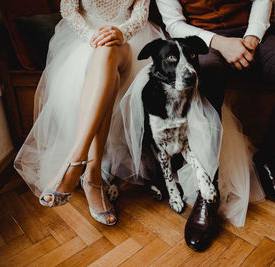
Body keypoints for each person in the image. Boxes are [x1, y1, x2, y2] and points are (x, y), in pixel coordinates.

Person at [155, 0, 275, 251]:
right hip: (201, 40)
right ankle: (208, 189)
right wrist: (221, 43)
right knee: (207, 73)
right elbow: (174, 24)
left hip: (250, 34)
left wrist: (252, 37)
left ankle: (267, 162)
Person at [14, 0, 164, 226]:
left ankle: (74, 162)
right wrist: (94, 36)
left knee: (108, 52)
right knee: (106, 63)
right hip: (86, 39)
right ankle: (92, 175)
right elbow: (68, 9)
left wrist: (120, 33)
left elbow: (140, 13)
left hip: (130, 40)